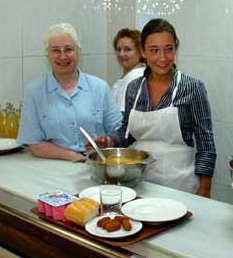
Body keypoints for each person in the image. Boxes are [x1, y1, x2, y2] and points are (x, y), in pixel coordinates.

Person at [90, 19, 217, 197]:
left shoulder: (192, 88)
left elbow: (206, 144)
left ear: (176, 47)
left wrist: (204, 189)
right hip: (140, 183)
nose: (162, 58)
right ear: (143, 51)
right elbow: (127, 133)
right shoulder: (134, 88)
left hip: (180, 184)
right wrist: (109, 141)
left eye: (169, 49)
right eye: (154, 51)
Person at [17, 23, 122, 162]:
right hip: (53, 166)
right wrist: (71, 155)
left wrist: (107, 141)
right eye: (55, 50)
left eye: (68, 49)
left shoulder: (99, 87)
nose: (63, 56)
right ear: (47, 54)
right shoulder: (34, 92)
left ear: (78, 52)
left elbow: (119, 131)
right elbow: (34, 143)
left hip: (97, 164)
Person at [111, 28, 146, 113]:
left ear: (141, 52)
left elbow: (122, 116)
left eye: (127, 49)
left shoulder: (134, 76)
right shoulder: (135, 74)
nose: (121, 54)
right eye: (118, 49)